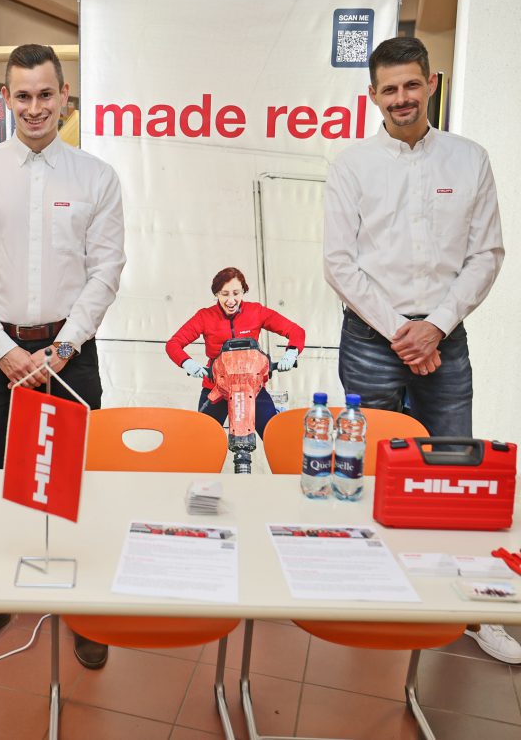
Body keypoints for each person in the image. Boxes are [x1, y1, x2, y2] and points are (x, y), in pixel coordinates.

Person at [322, 36, 515, 663]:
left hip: (445, 340)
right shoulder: (352, 165)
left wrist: (435, 326)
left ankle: (467, 608)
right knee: (365, 469)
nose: (401, 98)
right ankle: (370, 589)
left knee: (453, 473)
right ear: (372, 96)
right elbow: (339, 263)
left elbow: (487, 254)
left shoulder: (469, 159)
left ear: (431, 84)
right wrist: (402, 334)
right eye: (389, 89)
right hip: (371, 340)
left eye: (411, 84)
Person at [0, 44, 126, 668]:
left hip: (70, 351)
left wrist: (63, 347)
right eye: (22, 95)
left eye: (46, 94)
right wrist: (3, 350)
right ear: (6, 99)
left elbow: (106, 270)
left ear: (64, 95)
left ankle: (81, 608)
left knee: (70, 483)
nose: (34, 107)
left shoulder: (97, 178)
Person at [165, 267, 305, 437]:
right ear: (216, 293)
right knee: (203, 440)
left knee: (275, 436)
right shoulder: (205, 316)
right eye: (224, 294)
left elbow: (296, 331)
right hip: (216, 387)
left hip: (252, 387)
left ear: (243, 291)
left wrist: (291, 353)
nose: (231, 300)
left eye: (236, 293)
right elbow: (173, 344)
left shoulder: (256, 311)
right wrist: (188, 363)